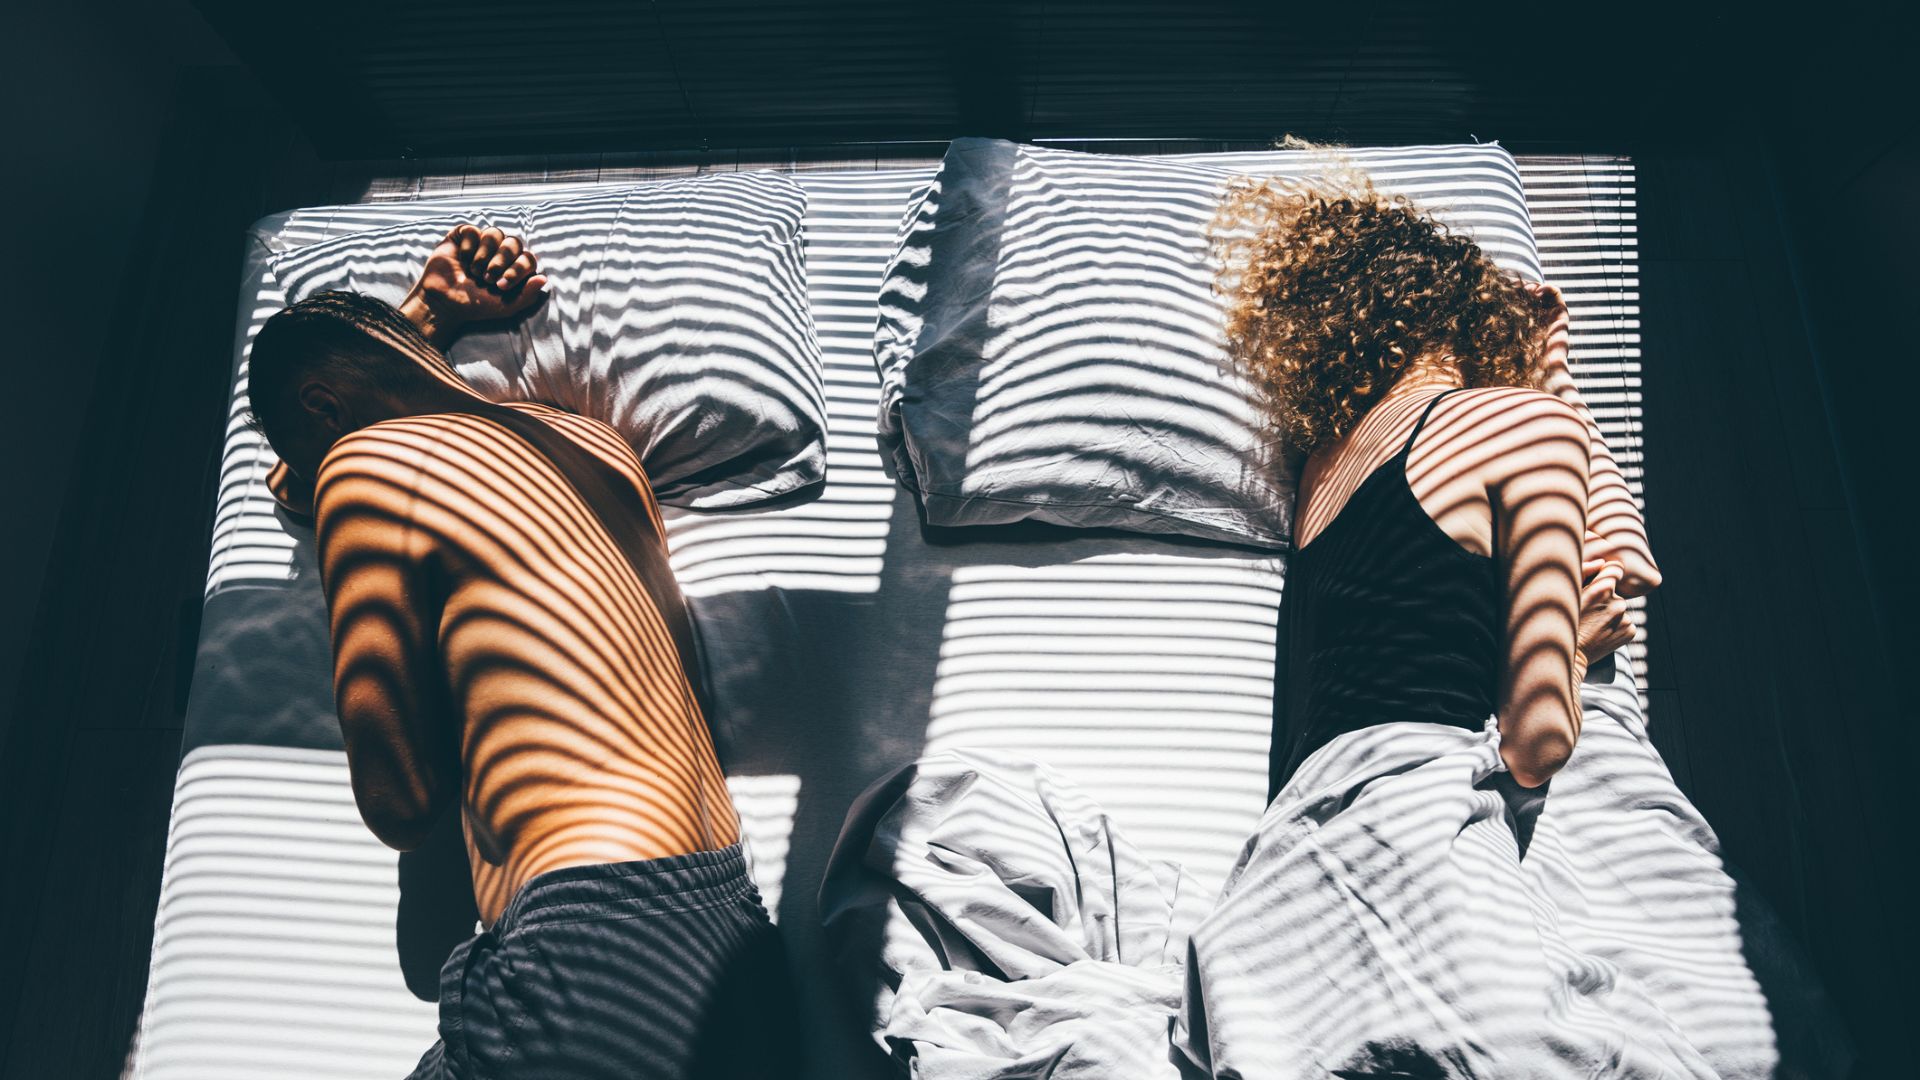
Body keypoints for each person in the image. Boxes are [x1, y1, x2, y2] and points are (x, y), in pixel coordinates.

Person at [1175, 172, 1783, 1077]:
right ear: (1463, 307)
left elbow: (1616, 557)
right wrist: (1571, 644)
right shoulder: (1526, 427)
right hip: (1426, 814)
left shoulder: (1319, 466)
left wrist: (1548, 391)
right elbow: (1542, 735)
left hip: (1293, 854)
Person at [247, 224, 794, 1079]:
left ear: (323, 415)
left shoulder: (363, 460)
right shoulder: (599, 447)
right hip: (732, 932)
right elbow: (295, 470)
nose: (307, 494)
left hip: (593, 930)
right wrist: (421, 317)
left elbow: (402, 804)